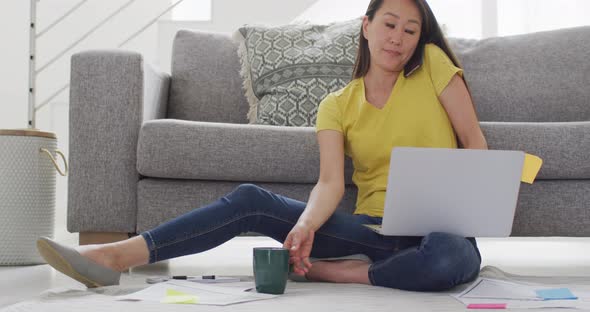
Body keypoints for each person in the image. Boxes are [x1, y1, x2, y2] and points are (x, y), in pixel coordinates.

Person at [37, 0, 488, 292]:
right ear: (367, 27)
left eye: (411, 31)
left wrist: (469, 205)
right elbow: (330, 183)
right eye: (390, 24)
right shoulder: (337, 105)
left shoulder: (430, 64)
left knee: (449, 258)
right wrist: (307, 225)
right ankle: (115, 255)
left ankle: (344, 272)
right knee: (251, 199)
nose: (399, 38)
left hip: (439, 229)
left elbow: (473, 141)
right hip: (372, 229)